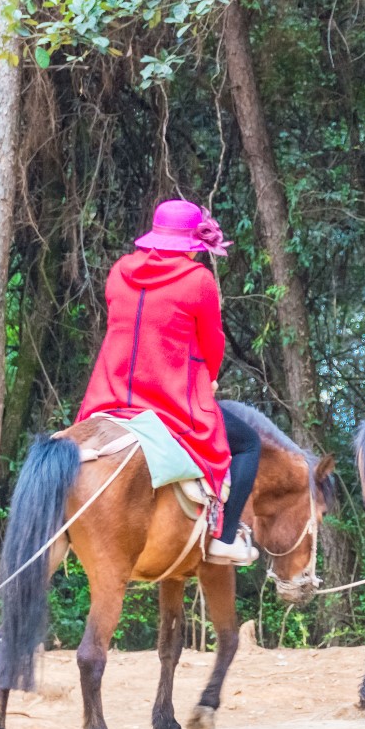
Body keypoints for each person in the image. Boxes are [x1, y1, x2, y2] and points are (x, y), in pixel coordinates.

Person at [76, 199, 262, 565]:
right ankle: (225, 537)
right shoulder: (198, 281)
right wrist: (207, 379)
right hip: (169, 404)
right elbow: (213, 343)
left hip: (109, 397)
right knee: (250, 445)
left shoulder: (119, 272)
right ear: (192, 246)